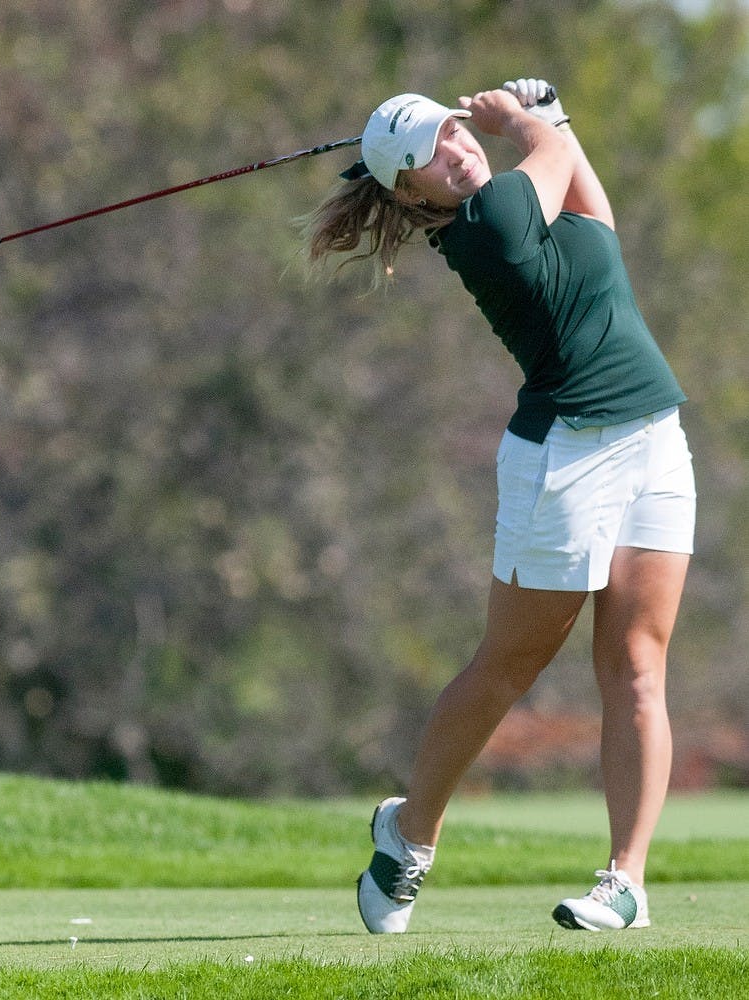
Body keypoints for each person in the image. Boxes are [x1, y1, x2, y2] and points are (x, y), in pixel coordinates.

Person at [305, 79, 696, 933]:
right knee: (508, 668)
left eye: (452, 131)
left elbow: (595, 210)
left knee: (637, 669)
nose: (458, 149)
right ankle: (409, 839)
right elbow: (548, 152)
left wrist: (551, 115)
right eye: (432, 156)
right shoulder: (487, 230)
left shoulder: (519, 200)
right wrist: (529, 117)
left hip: (655, 443)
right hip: (564, 459)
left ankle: (625, 881)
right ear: (411, 194)